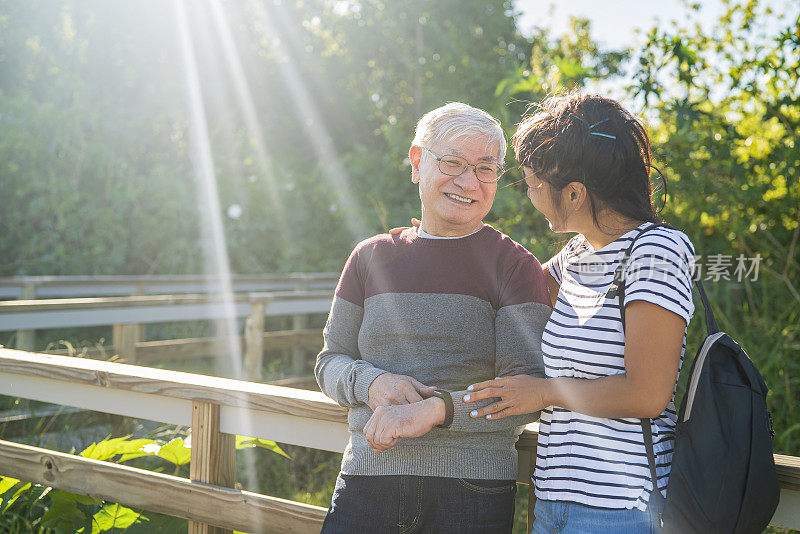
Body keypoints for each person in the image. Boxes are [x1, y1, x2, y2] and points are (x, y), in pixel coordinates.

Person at [463, 92, 696, 533]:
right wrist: (438, 238)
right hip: (552, 503)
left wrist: (546, 392)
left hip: (623, 510)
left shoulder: (656, 250)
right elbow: (503, 287)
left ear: (574, 193)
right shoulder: (575, 256)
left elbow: (647, 393)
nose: (529, 195)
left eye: (532, 183)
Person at [315, 102, 552, 533]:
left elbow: (525, 395)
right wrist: (373, 384)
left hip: (473, 492)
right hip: (368, 480)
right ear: (418, 161)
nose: (469, 181)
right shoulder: (370, 258)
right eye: (453, 163)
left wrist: (437, 410)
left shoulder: (515, 267)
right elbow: (329, 363)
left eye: (485, 168)